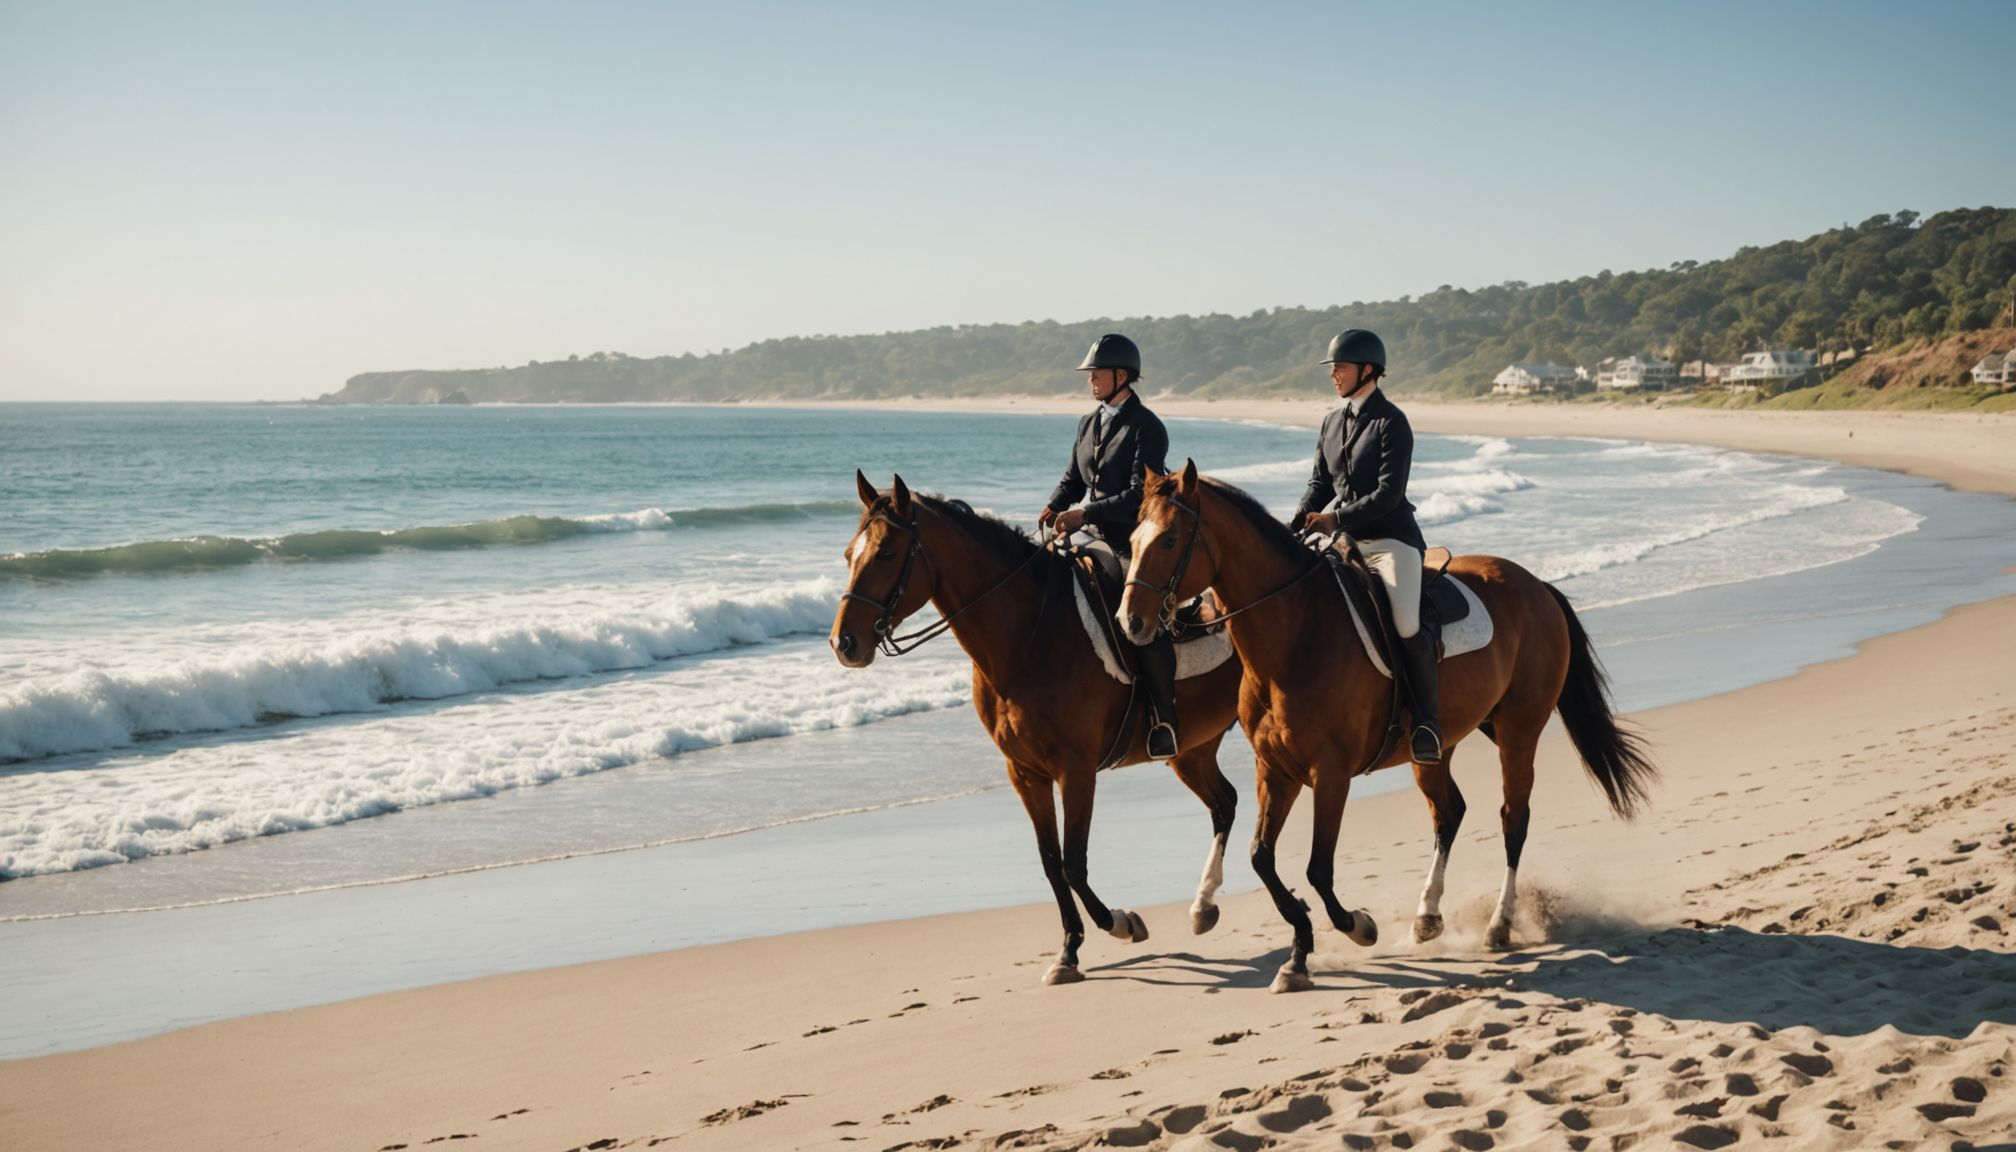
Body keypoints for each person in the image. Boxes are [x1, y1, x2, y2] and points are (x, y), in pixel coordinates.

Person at [1289, 329, 1442, 764]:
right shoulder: (1332, 421)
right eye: (1332, 368)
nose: (1333, 375)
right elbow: (1319, 484)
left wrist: (1337, 518)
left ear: (1368, 371)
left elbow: (1389, 493)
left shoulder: (1392, 422)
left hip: (1391, 540)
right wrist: (1289, 528)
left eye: (1340, 367)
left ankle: (1428, 721)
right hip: (1344, 541)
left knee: (1407, 624)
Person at [1038, 333, 1180, 760]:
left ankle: (1164, 718)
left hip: (1129, 540)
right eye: (1090, 374)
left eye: (1096, 373)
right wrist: (1054, 506)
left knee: (1134, 614)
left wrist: (1084, 514)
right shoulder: (1088, 422)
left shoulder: (1147, 427)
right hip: (1089, 533)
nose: (1090, 380)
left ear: (1122, 376)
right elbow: (1073, 480)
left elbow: (1140, 494)